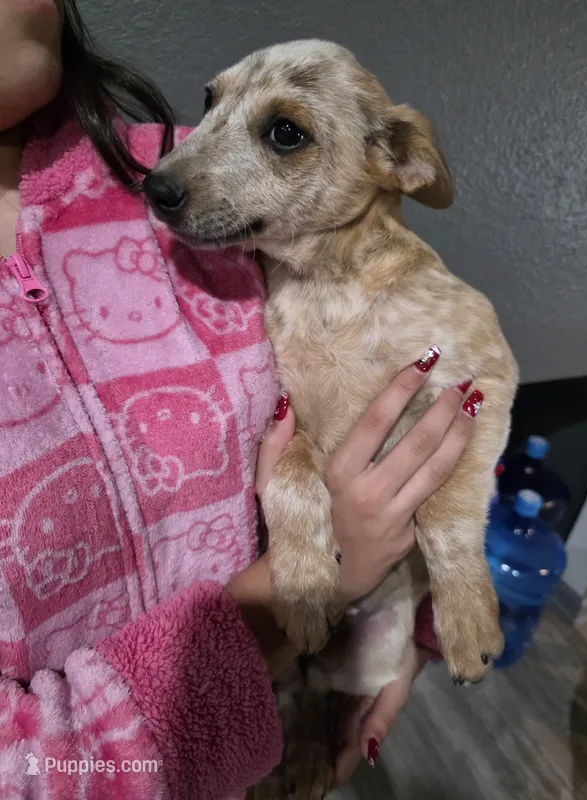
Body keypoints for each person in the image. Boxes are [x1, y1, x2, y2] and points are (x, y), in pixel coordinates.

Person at [0, 1, 481, 798]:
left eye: (279, 131)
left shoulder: (181, 172)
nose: (195, 155)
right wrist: (305, 590)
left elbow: (419, 382)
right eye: (217, 104)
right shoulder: (195, 185)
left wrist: (409, 620)